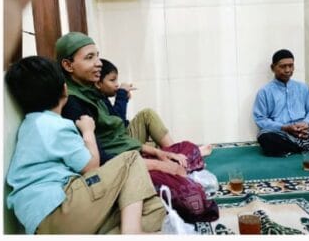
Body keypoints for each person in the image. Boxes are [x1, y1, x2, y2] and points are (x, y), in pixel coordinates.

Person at [5, 56, 165, 235]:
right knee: (131, 159)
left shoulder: (30, 124)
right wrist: (88, 131)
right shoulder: (56, 124)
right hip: (58, 205)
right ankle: (131, 234)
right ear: (64, 87)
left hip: (40, 222)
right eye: (90, 57)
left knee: (153, 208)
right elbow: (91, 167)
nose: (97, 63)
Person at [56, 33, 204, 172]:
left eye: (97, 56)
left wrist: (157, 153)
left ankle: (180, 158)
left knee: (185, 151)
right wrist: (158, 165)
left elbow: (118, 133)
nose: (99, 63)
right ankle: (184, 161)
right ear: (68, 65)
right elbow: (103, 159)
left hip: (126, 154)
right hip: (116, 166)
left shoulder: (90, 91)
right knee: (173, 175)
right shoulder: (73, 103)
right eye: (89, 57)